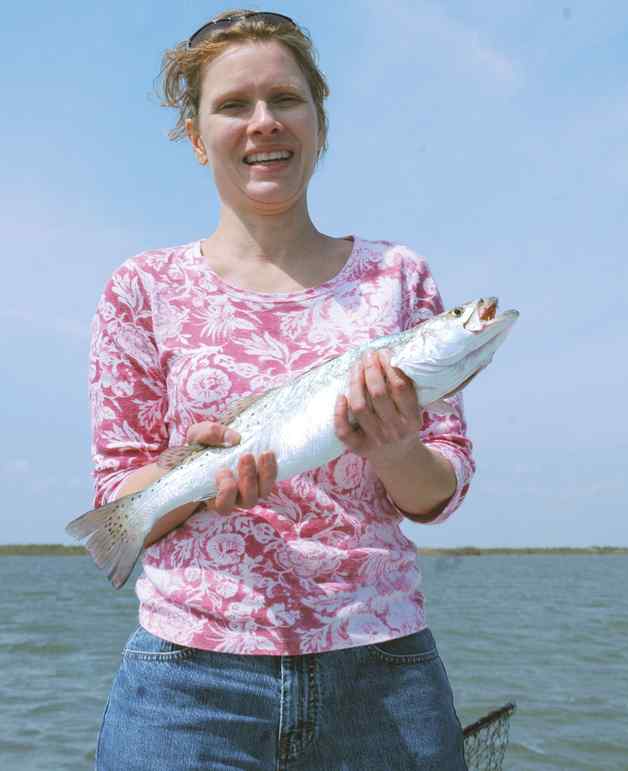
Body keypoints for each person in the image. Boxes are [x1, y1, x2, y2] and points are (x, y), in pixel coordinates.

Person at [91, 10, 473, 770]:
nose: (263, 122)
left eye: (286, 99)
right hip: (189, 680)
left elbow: (443, 485)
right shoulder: (141, 287)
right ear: (197, 137)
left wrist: (397, 448)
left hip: (382, 665)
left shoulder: (399, 276)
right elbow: (116, 490)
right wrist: (189, 480)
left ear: (320, 123)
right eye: (234, 105)